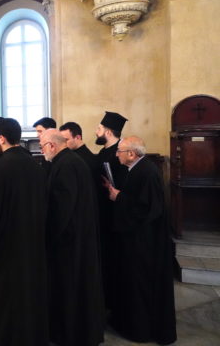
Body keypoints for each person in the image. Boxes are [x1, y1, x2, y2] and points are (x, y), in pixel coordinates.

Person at [0, 118, 48, 345]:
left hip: (4, 248)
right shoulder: (34, 165)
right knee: (27, 295)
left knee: (4, 300)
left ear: (2, 138)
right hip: (31, 243)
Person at [104, 136, 177, 345]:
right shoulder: (137, 169)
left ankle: (140, 330)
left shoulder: (147, 172)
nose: (117, 154)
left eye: (119, 151)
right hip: (136, 240)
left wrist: (118, 197)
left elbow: (147, 210)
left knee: (140, 286)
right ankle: (130, 324)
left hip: (144, 243)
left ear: (131, 154)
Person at [40, 130, 105, 346]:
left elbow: (62, 209)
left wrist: (47, 235)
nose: (42, 151)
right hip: (78, 236)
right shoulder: (70, 161)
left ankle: (70, 334)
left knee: (70, 288)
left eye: (42, 146)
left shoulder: (66, 165)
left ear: (52, 145)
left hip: (70, 241)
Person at [95, 111, 128, 310]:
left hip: (116, 214)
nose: (96, 131)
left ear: (107, 132)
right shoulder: (103, 152)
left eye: (99, 129)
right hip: (104, 211)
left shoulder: (120, 152)